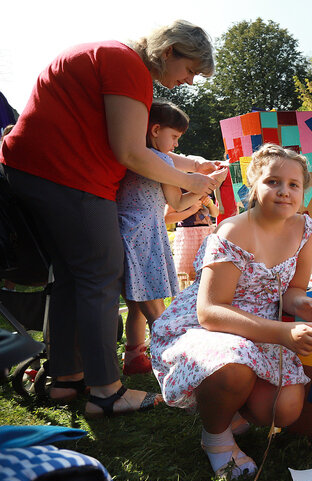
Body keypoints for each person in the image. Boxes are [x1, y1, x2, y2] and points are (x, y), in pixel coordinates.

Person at [0, 20, 220, 418]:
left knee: (72, 274)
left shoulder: (112, 58)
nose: (188, 81)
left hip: (40, 170)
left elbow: (136, 146)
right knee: (101, 272)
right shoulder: (127, 66)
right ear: (169, 50)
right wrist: (188, 179)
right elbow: (132, 152)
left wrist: (188, 166)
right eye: (189, 70)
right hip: (67, 176)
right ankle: (106, 391)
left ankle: (66, 378)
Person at [150, 145, 312, 479]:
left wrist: (306, 304)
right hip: (213, 326)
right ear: (254, 185)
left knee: (285, 408)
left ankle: (227, 408)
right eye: (273, 181)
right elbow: (210, 311)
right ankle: (216, 437)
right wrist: (282, 333)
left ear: (304, 191)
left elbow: (293, 290)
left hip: (261, 326)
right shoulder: (234, 230)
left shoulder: (306, 228)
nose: (284, 191)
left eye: (294, 184)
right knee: (233, 367)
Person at [118, 100, 227, 376]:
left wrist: (201, 182)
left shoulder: (131, 154)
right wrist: (210, 185)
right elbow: (177, 203)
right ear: (155, 130)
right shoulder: (161, 161)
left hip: (124, 229)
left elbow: (179, 195)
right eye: (175, 137)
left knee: (135, 304)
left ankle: (134, 355)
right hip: (144, 234)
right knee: (155, 308)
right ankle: (177, 358)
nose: (176, 144)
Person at [166, 192, 220, 282]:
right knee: (188, 274)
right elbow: (167, 218)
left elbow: (215, 214)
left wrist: (210, 204)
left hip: (206, 233)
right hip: (188, 235)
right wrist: (191, 210)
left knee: (208, 269)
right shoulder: (178, 192)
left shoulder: (202, 190)